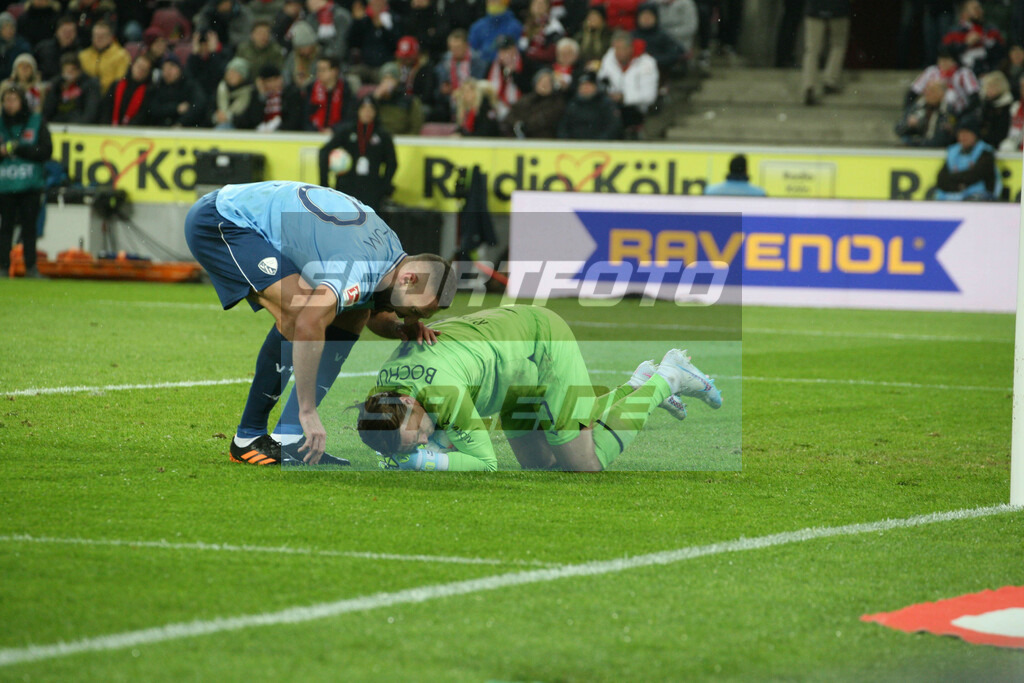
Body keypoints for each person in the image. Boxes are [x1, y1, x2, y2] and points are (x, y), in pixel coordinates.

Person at [183, 180, 456, 465]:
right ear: (409, 279)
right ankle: (247, 439)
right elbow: (307, 323)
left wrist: (400, 328)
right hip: (222, 219)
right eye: (414, 310)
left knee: (354, 313)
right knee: (298, 311)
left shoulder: (390, 254)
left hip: (250, 219)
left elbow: (370, 311)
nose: (410, 318)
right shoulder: (358, 265)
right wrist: (308, 410)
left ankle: (287, 439)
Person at [357, 305, 720, 472]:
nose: (423, 440)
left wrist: (425, 462)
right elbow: (433, 438)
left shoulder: (442, 393)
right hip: (511, 368)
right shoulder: (385, 400)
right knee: (541, 464)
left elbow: (485, 462)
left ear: (408, 401)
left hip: (539, 348)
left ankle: (667, 377)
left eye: (418, 434)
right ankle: (636, 385)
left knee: (582, 464)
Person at [0, 84, 52, 279]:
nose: (9, 104)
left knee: (29, 227)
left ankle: (31, 267)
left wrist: (17, 148)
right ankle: (3, 267)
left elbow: (46, 151)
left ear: (22, 102)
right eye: (6, 100)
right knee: (5, 228)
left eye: (13, 100)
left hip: (30, 184)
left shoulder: (36, 122)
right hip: (5, 185)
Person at [319, 96, 397, 212]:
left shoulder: (383, 135)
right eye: (364, 108)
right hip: (347, 187)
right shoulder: (347, 131)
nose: (367, 112)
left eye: (371, 109)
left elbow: (392, 163)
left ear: (376, 112)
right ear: (358, 111)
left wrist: (384, 187)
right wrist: (324, 184)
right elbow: (324, 151)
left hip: (372, 189)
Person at [598, 29, 659, 133]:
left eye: (623, 48)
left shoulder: (647, 63)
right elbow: (602, 79)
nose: (619, 52)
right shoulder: (608, 58)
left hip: (636, 108)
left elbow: (649, 96)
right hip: (611, 104)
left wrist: (624, 97)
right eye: (616, 48)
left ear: (631, 48)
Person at [934, 117, 1001, 201]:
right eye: (960, 133)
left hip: (981, 197)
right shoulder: (953, 152)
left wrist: (953, 178)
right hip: (955, 195)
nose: (963, 136)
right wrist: (960, 186)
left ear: (975, 135)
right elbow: (941, 179)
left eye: (967, 133)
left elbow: (974, 175)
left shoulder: (985, 152)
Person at [801, 0, 850, 106]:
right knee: (838, 45)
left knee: (812, 50)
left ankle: (809, 86)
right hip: (839, 9)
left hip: (814, 8)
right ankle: (830, 80)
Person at [907, 46, 980, 117]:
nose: (942, 63)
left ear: (954, 61)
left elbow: (974, 96)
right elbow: (913, 92)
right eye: (940, 60)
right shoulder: (931, 71)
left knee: (950, 95)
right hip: (932, 108)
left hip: (959, 110)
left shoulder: (964, 73)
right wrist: (908, 111)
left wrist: (964, 115)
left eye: (946, 60)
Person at [942, 0, 1005, 76]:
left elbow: (1002, 53)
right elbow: (945, 55)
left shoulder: (991, 30)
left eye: (980, 8)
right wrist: (965, 44)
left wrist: (985, 42)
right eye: (975, 9)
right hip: (962, 76)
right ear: (964, 13)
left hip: (988, 75)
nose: (980, 11)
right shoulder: (953, 33)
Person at [235, 63, 306, 131]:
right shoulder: (256, 96)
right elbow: (251, 120)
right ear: (262, 83)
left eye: (277, 79)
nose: (275, 84)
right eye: (270, 81)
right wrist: (261, 96)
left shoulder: (291, 94)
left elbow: (293, 120)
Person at [435, 28, 486, 121]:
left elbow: (478, 85)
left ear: (466, 45)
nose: (454, 51)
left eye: (458, 47)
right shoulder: (444, 61)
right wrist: (443, 88)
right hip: (449, 102)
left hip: (471, 102)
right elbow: (439, 85)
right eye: (451, 48)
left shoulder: (477, 62)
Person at [502, 67, 565, 137]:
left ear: (552, 85)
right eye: (541, 81)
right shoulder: (526, 99)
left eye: (548, 82)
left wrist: (525, 126)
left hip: (544, 142)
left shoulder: (556, 102)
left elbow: (544, 120)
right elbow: (510, 117)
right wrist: (517, 124)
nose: (544, 85)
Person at [557, 70, 621, 139]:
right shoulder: (572, 104)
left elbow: (613, 127)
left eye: (588, 85)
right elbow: (563, 126)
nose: (585, 88)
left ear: (595, 87)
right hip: (574, 146)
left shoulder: (606, 104)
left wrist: (599, 142)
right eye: (583, 85)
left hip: (600, 146)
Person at [148, 55, 206, 127]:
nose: (167, 72)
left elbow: (199, 105)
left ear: (179, 69)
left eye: (171, 68)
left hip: (186, 129)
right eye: (164, 69)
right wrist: (175, 108)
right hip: (161, 129)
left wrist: (181, 123)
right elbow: (153, 109)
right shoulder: (158, 87)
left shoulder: (189, 85)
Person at [42, 53, 101, 123]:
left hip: (78, 127)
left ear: (79, 71)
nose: (69, 74)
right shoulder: (56, 85)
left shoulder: (89, 85)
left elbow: (90, 113)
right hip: (57, 125)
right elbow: (48, 112)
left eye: (72, 70)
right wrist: (55, 89)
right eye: (66, 71)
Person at [895, 79, 954, 147]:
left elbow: (942, 139)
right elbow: (898, 129)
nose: (927, 93)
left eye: (932, 91)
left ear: (942, 94)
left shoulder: (948, 111)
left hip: (939, 151)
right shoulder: (918, 106)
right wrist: (908, 124)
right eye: (926, 90)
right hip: (916, 149)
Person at [78, 20, 130, 96]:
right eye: (96, 35)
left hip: (108, 96)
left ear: (111, 37)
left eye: (102, 36)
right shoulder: (83, 55)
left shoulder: (121, 56)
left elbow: (119, 82)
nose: (99, 39)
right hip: (86, 95)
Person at [303, 54, 354, 131]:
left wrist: (334, 130)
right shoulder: (310, 89)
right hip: (313, 135)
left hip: (337, 136)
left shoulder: (345, 91)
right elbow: (305, 118)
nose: (319, 73)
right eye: (318, 70)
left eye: (323, 70)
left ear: (334, 72)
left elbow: (349, 119)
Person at [101, 53, 154, 125]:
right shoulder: (116, 85)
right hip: (109, 129)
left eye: (144, 69)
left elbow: (143, 115)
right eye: (139, 67)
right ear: (133, 66)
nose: (140, 71)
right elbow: (106, 108)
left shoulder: (150, 92)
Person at [486, 34, 529, 120]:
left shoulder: (526, 63)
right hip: (498, 106)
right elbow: (487, 87)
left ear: (513, 49)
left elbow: (527, 88)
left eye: (505, 50)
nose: (501, 55)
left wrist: (513, 74)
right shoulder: (494, 66)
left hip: (521, 107)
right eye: (499, 51)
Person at [373, 63, 424, 134]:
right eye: (385, 79)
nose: (387, 83)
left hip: (402, 140)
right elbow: (361, 119)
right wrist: (374, 99)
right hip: (379, 139)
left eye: (391, 78)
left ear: (397, 81)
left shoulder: (410, 100)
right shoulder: (374, 99)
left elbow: (415, 127)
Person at [469, 0, 523, 65]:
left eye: (496, 1)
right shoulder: (477, 27)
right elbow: (471, 51)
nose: (492, 4)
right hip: (481, 68)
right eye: (490, 1)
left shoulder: (515, 26)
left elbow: (516, 52)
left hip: (506, 66)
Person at [34, 15, 82, 82]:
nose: (67, 35)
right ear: (57, 32)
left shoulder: (80, 53)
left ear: (75, 33)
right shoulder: (43, 49)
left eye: (71, 32)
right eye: (64, 31)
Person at [213, 56, 253, 128]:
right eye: (229, 72)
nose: (230, 76)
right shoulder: (221, 88)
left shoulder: (250, 92)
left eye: (235, 73)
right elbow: (209, 110)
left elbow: (250, 119)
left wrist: (229, 118)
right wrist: (216, 116)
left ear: (243, 76)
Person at [978, 70, 1012, 148]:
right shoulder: (984, 104)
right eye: (988, 86)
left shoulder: (1007, 106)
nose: (990, 89)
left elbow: (1002, 130)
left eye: (993, 86)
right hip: (982, 142)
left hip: (999, 143)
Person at [575, 5, 611, 69]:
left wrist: (599, 63)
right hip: (583, 68)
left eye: (595, 17)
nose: (592, 20)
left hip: (603, 68)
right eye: (590, 17)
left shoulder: (608, 36)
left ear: (602, 19)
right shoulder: (580, 36)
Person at [0, 12, 31, 83]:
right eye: (5, 27)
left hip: (16, 82)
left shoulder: (22, 46)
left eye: (11, 27)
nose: (9, 30)